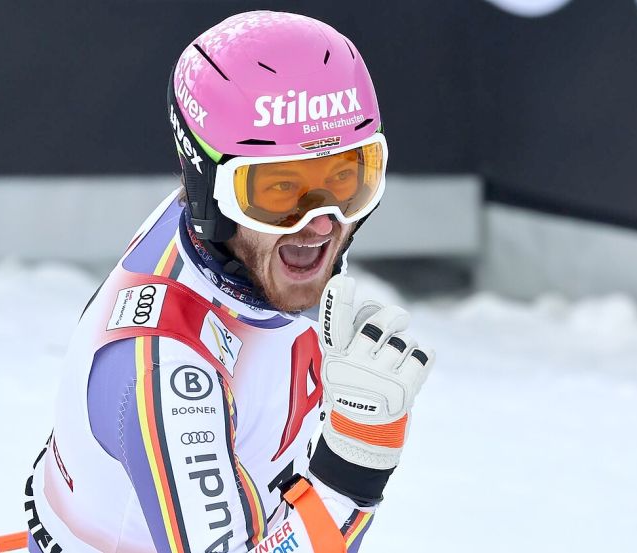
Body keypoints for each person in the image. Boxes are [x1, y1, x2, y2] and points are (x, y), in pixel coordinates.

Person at [24, 11, 433, 553]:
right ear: (206, 187)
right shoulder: (168, 373)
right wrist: (352, 470)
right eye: (282, 189)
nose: (321, 223)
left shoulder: (241, 244)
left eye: (346, 179)